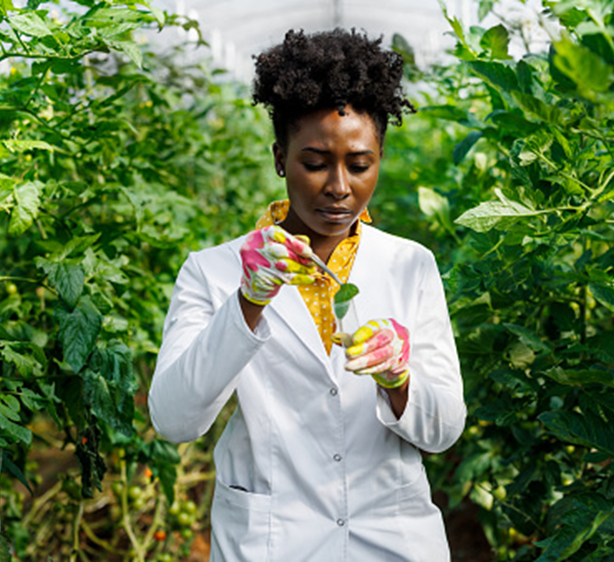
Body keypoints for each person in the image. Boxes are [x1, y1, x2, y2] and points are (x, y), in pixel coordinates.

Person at [148, 28, 466, 561]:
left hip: (392, 538)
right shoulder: (214, 271)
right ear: (279, 158)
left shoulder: (410, 265)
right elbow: (174, 419)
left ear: (380, 157)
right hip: (273, 541)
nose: (339, 186)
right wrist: (248, 301)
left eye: (360, 165)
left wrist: (399, 379)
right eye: (315, 163)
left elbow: (444, 430)